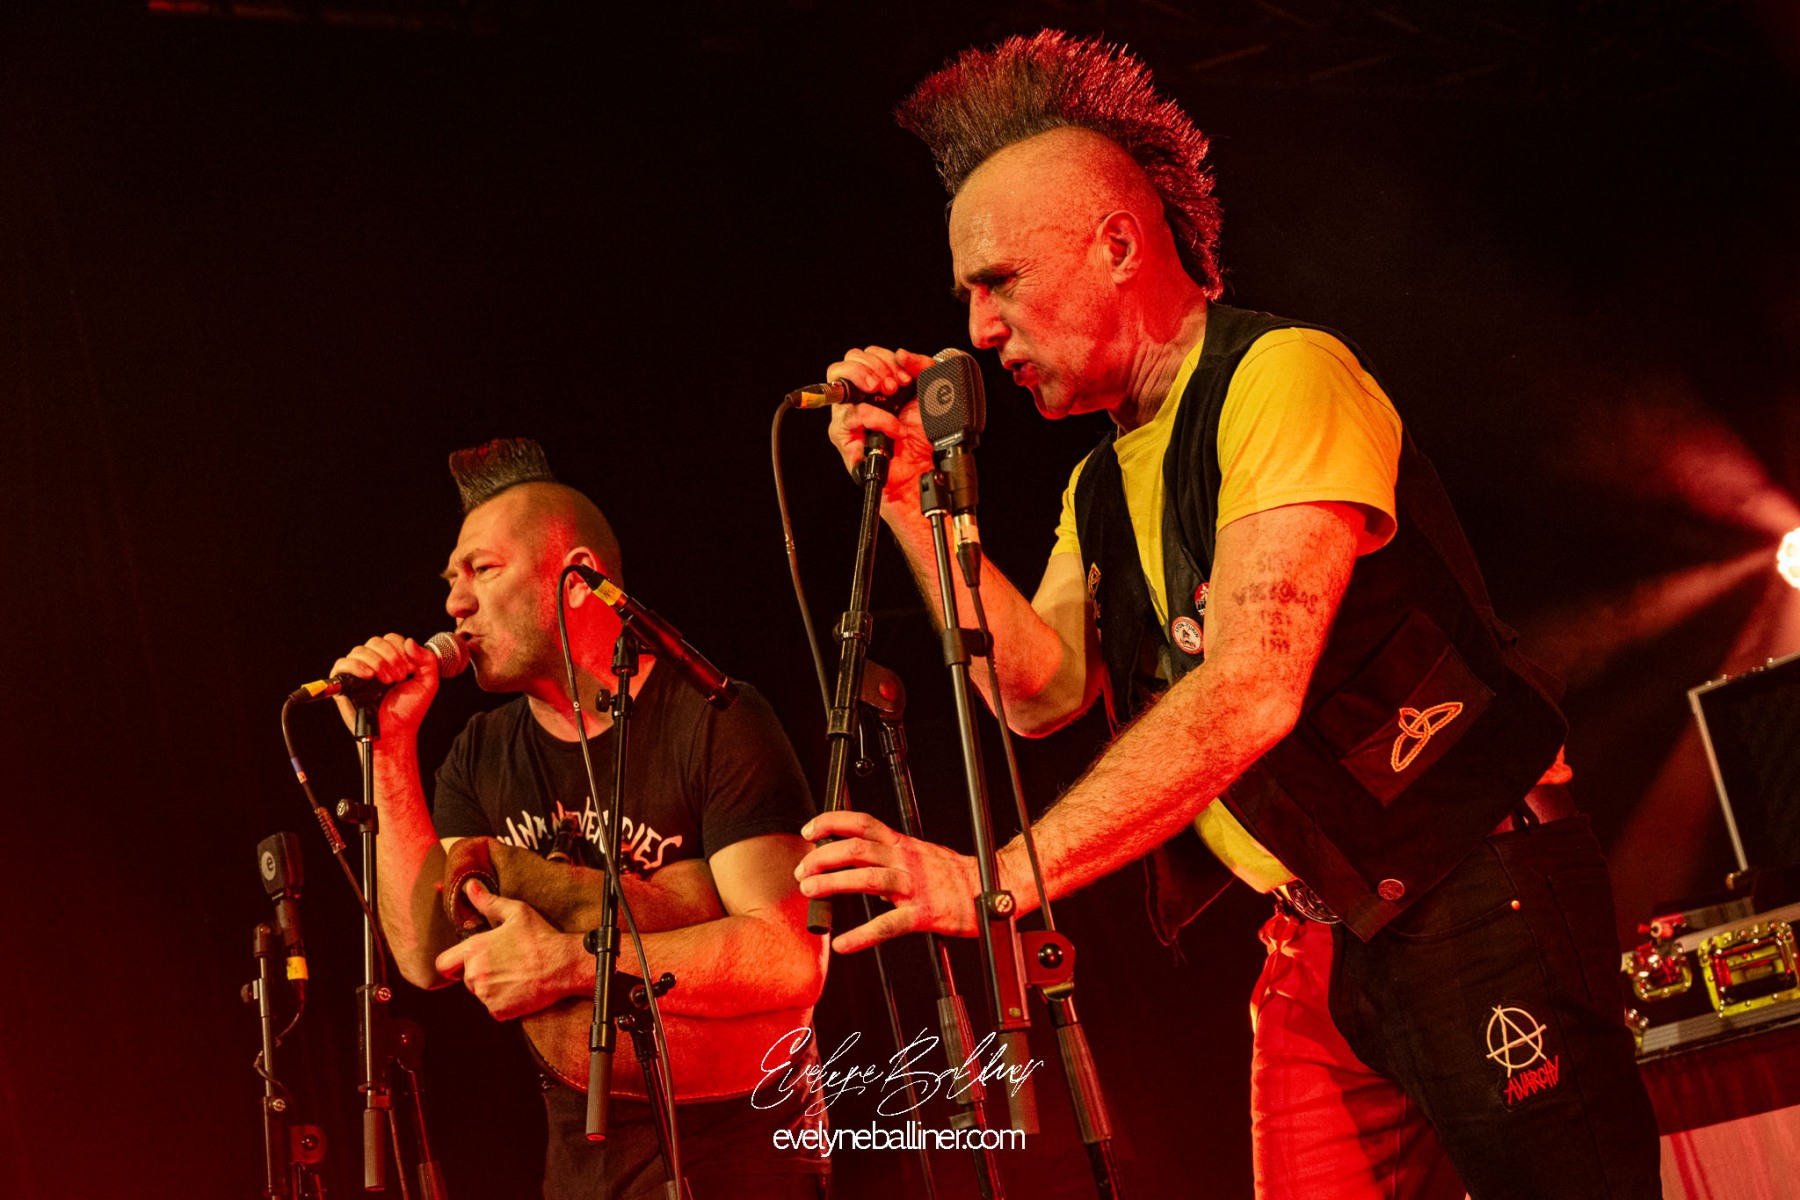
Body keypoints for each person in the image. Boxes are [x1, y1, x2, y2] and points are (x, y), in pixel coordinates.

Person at [796, 30, 1662, 1200]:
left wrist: (998, 878)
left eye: (999, 281)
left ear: (1117, 245)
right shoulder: (1099, 484)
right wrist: (912, 502)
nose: (982, 331)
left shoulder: (1284, 377)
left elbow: (1252, 685)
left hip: (1469, 888)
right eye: (970, 298)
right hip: (1317, 933)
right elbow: (1038, 692)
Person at [329, 438, 830, 1199]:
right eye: (452, 580)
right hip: (582, 1155)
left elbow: (789, 956)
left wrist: (570, 965)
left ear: (578, 579)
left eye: (482, 570)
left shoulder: (714, 716)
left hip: (747, 1146)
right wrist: (389, 749)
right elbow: (427, 955)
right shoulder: (481, 754)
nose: (455, 604)